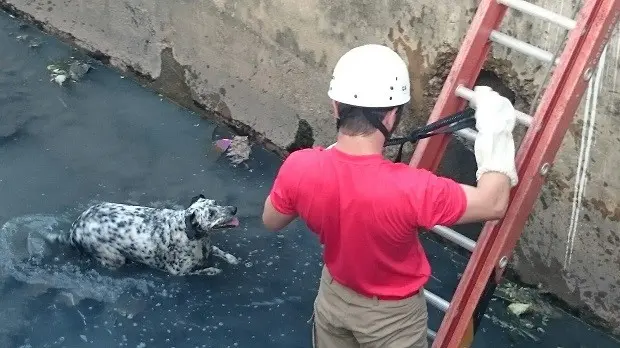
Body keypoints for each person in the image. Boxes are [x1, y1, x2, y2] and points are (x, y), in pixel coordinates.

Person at [261, 44, 518, 348]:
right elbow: (494, 202)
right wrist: (496, 131)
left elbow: (271, 220)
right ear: (392, 116)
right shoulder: (412, 188)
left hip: (332, 299)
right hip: (392, 320)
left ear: (334, 106)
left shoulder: (300, 166)